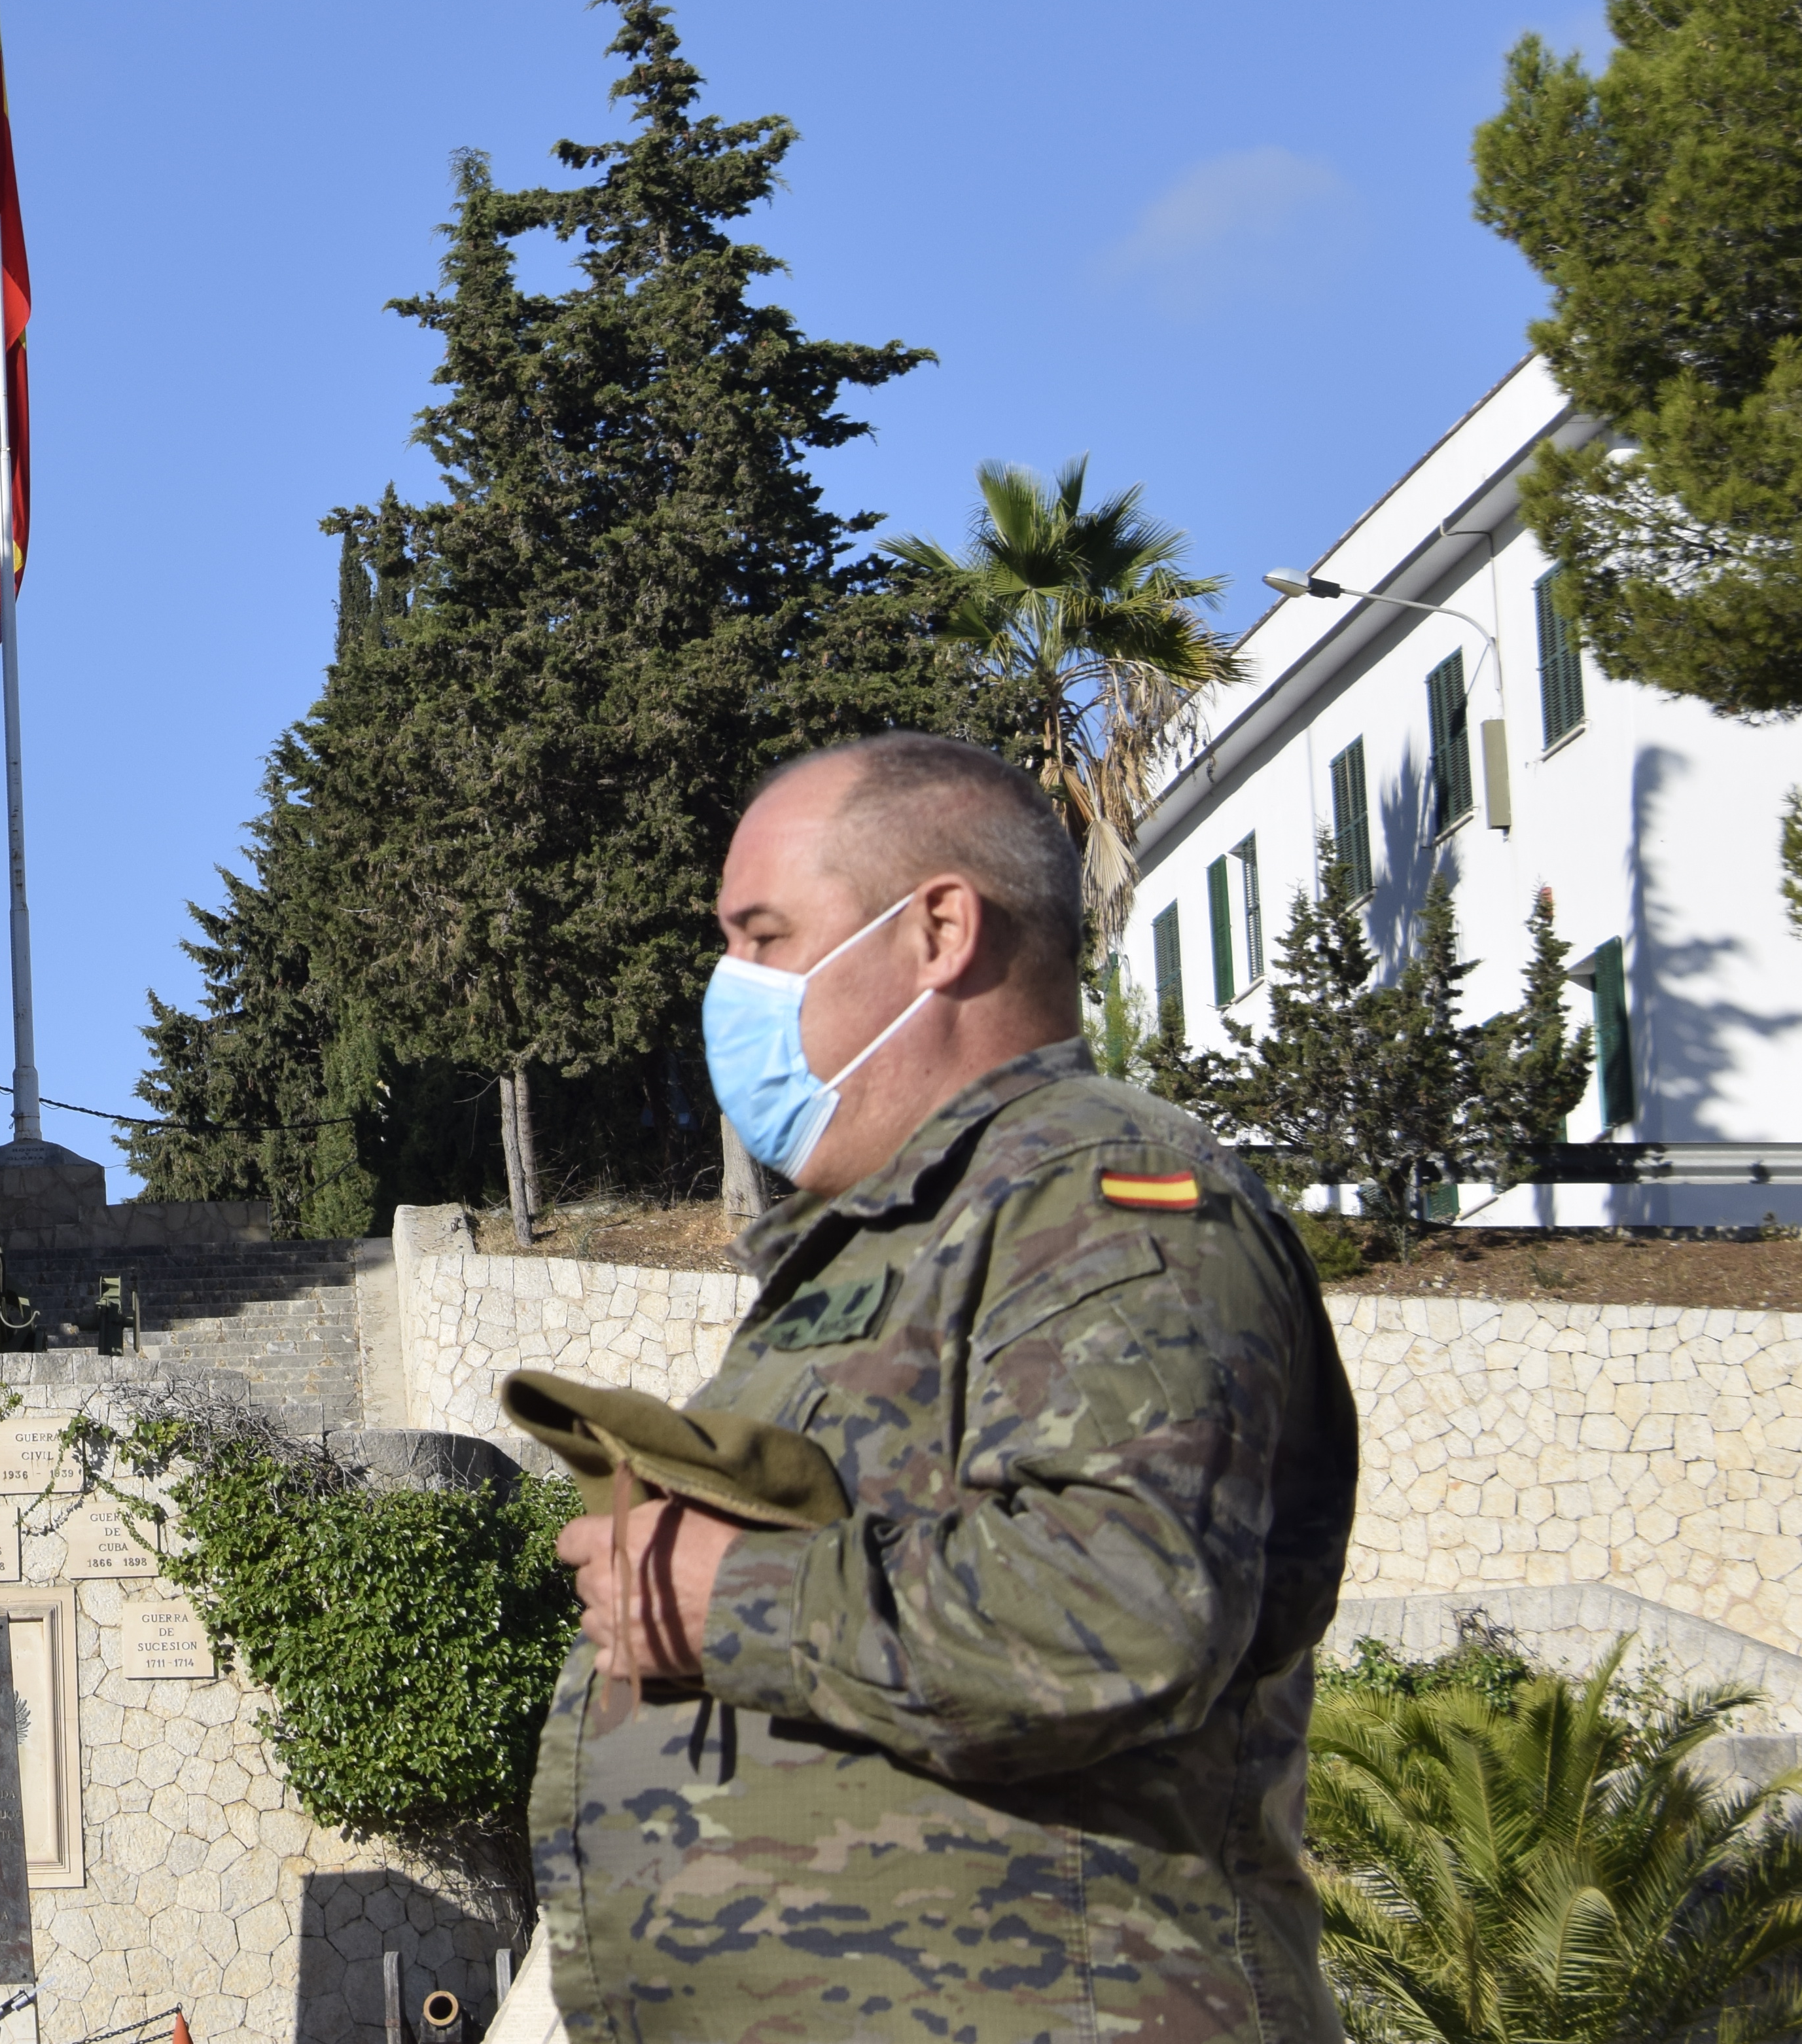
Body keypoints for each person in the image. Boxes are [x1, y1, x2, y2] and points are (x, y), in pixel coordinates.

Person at [531, 729, 1358, 2044]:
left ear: (939, 932)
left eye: (764, 934)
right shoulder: (901, 1230)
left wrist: (722, 1599)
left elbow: (1128, 1604)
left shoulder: (1103, 1190)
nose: (728, 986)